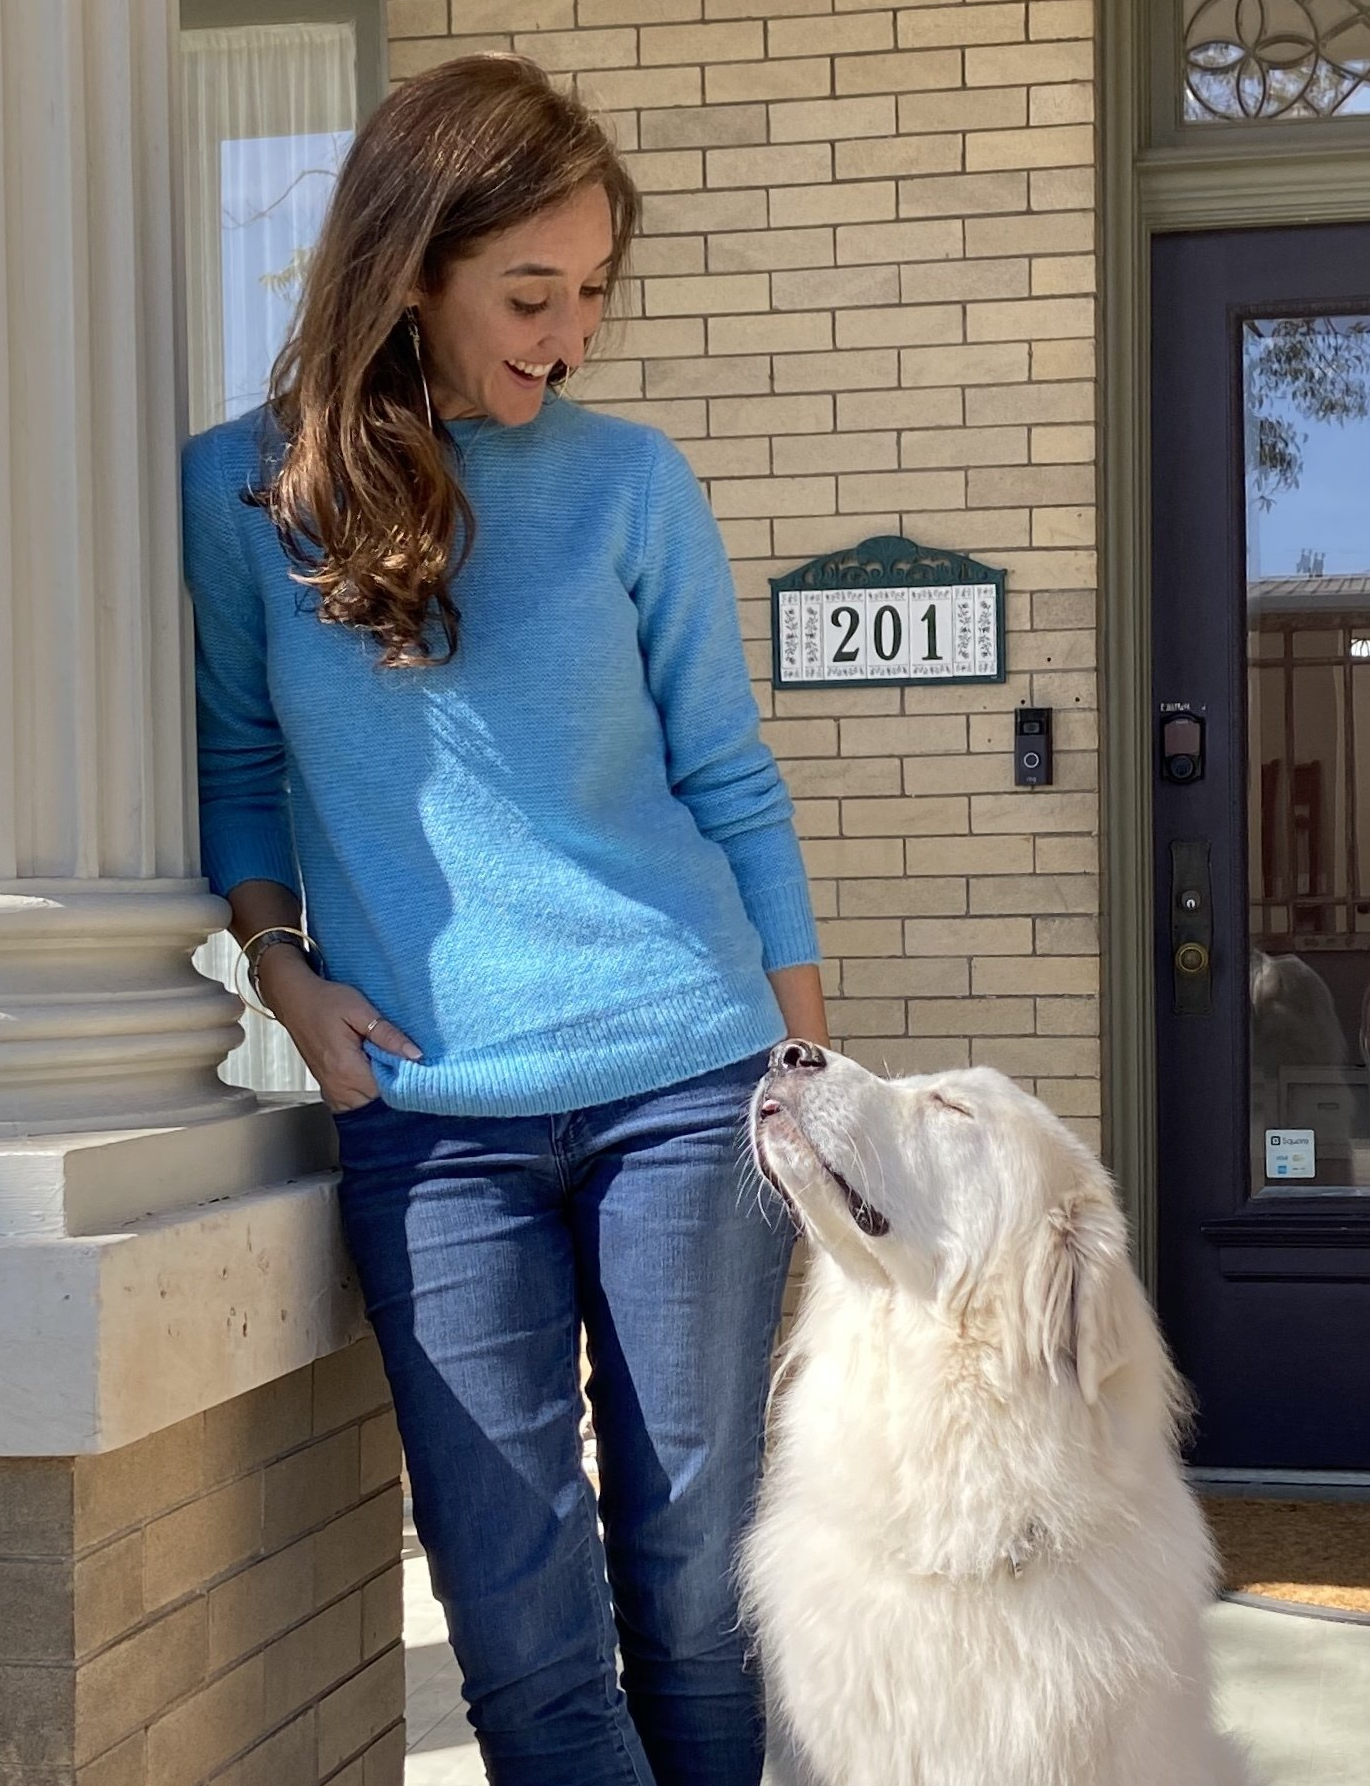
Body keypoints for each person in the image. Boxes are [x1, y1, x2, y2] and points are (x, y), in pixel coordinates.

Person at [181, 54, 829, 1786]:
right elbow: (236, 771)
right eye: (529, 294)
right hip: (427, 1113)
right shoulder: (242, 496)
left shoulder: (629, 482)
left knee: (692, 1590)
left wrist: (803, 1059)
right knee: (519, 1626)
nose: (570, 335)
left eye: (593, 294)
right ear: (410, 270)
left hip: (689, 1078)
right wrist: (281, 969)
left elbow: (731, 778)